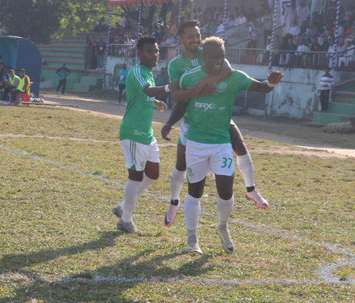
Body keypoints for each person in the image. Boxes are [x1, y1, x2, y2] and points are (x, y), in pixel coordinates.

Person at [170, 36, 282, 253]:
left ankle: (222, 227)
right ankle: (192, 239)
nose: (218, 61)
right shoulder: (189, 78)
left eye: (221, 56)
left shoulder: (234, 77)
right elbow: (180, 103)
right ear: (203, 56)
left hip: (221, 144)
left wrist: (271, 83)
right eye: (213, 57)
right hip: (196, 143)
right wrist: (169, 124)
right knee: (195, 193)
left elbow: (260, 87)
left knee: (226, 193)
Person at [160, 20, 270, 230]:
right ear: (181, 40)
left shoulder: (209, 52)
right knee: (181, 165)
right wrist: (196, 91)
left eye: (198, 35)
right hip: (193, 122)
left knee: (240, 145)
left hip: (218, 116)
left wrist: (205, 82)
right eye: (190, 36)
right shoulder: (176, 64)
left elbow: (227, 69)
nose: (195, 40)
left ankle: (251, 189)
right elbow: (176, 96)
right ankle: (174, 202)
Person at [111, 36, 169, 232]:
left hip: (146, 133)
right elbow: (148, 91)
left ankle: (123, 207)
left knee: (153, 174)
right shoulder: (137, 71)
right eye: (150, 51)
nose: (155, 54)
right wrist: (169, 88)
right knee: (135, 178)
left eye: (157, 51)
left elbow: (139, 95)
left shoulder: (147, 72)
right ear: (140, 54)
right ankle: (126, 220)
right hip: (133, 132)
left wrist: (154, 103)